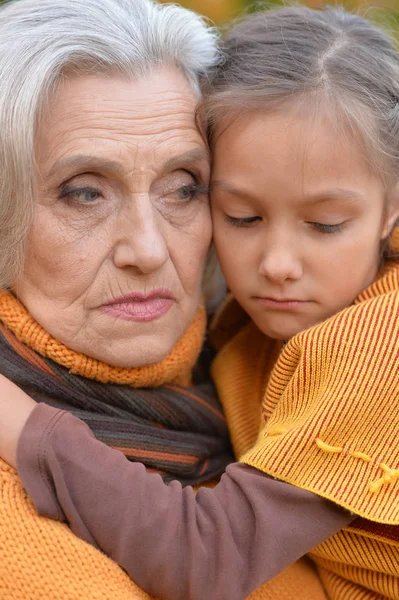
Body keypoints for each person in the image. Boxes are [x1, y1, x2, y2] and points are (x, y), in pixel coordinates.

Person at [2, 4, 399, 600]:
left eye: (184, 188)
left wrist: (24, 425)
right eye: (84, 192)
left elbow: (212, 554)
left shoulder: (360, 338)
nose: (149, 248)